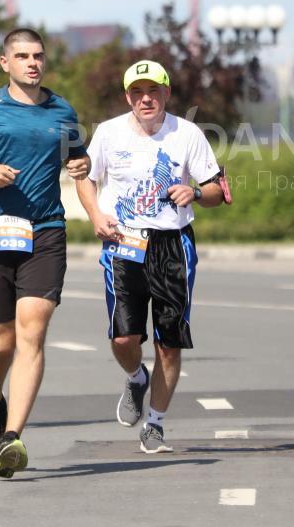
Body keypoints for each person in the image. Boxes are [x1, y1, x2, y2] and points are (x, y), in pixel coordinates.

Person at [0, 27, 89, 478]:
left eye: (38, 55)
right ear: (5, 62)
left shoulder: (63, 111)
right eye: (22, 56)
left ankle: (12, 438)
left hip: (44, 232)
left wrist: (80, 166)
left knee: (33, 331)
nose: (32, 63)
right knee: (1, 338)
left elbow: (78, 164)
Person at [74, 60, 226, 454]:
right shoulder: (108, 133)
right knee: (124, 336)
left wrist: (194, 193)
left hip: (172, 245)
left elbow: (216, 190)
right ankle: (135, 375)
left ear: (166, 93)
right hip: (123, 243)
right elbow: (86, 180)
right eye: (138, 92)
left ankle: (156, 424)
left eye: (153, 91)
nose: (146, 99)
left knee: (169, 343)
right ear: (128, 97)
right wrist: (95, 215)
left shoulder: (188, 134)